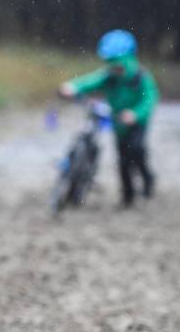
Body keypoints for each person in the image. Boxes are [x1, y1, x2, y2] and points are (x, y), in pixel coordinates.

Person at [59, 29, 158, 207]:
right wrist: (72, 86)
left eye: (117, 63)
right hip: (119, 125)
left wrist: (135, 114)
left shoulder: (141, 78)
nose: (114, 67)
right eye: (110, 63)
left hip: (136, 124)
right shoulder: (110, 77)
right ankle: (128, 197)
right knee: (122, 162)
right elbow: (91, 81)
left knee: (137, 152)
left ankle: (147, 179)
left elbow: (149, 100)